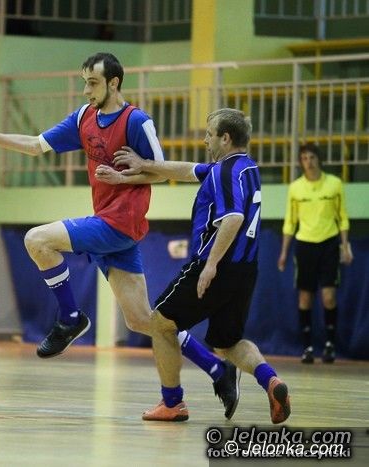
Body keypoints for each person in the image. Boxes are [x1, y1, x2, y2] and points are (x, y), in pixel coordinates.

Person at [0, 52, 241, 419]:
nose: (86, 90)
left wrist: (122, 178)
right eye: (84, 82)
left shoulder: (137, 121)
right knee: (142, 321)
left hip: (120, 222)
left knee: (37, 240)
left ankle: (71, 317)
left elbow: (162, 171)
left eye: (92, 83)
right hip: (110, 225)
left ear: (113, 83)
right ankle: (210, 375)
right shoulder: (83, 117)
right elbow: (36, 145)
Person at [100, 108, 290, 423]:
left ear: (225, 138)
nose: (204, 140)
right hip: (245, 270)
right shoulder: (246, 168)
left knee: (160, 323)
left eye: (209, 134)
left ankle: (172, 402)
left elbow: (233, 218)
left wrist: (211, 265)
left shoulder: (223, 172)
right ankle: (270, 380)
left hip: (216, 264)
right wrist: (143, 165)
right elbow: (187, 170)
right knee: (228, 343)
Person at [277, 143, 352, 364]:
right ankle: (307, 347)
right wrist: (283, 252)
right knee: (305, 297)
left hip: (329, 244)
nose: (308, 162)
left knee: (328, 296)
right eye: (304, 158)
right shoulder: (295, 188)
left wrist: (345, 246)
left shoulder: (335, 184)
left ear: (318, 159)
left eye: (311, 157)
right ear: (301, 162)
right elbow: (290, 222)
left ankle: (330, 345)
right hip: (304, 245)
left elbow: (342, 218)